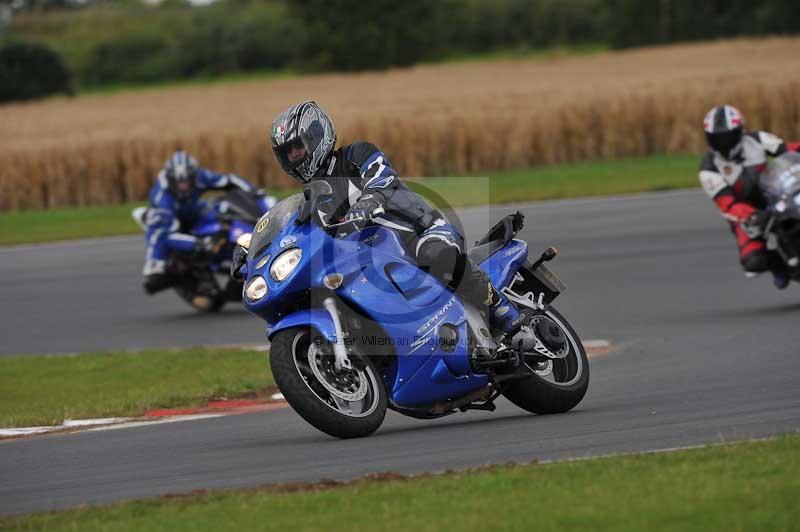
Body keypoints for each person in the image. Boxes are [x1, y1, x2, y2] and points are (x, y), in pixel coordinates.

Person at [269, 100, 530, 342]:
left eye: (297, 148)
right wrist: (252, 252)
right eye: (287, 154)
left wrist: (367, 203)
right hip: (373, 258)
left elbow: (383, 180)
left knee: (435, 254)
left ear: (317, 138)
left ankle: (501, 309)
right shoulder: (311, 200)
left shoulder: (356, 155)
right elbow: (299, 235)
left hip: (420, 230)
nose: (294, 157)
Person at [142, 150, 276, 294]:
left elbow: (229, 181)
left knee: (221, 210)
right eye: (179, 183)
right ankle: (162, 270)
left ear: (193, 176)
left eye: (187, 182)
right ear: (171, 179)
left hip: (193, 211)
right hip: (167, 223)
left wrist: (255, 193)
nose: (184, 186)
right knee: (157, 268)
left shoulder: (200, 176)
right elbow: (167, 236)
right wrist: (199, 244)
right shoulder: (162, 199)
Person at [698, 105, 790, 289]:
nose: (723, 143)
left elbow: (788, 150)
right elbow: (727, 204)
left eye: (728, 137)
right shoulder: (708, 168)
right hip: (745, 212)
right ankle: (778, 266)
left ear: (740, 131)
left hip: (776, 194)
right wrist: (751, 216)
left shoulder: (757, 140)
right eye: (717, 139)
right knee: (753, 262)